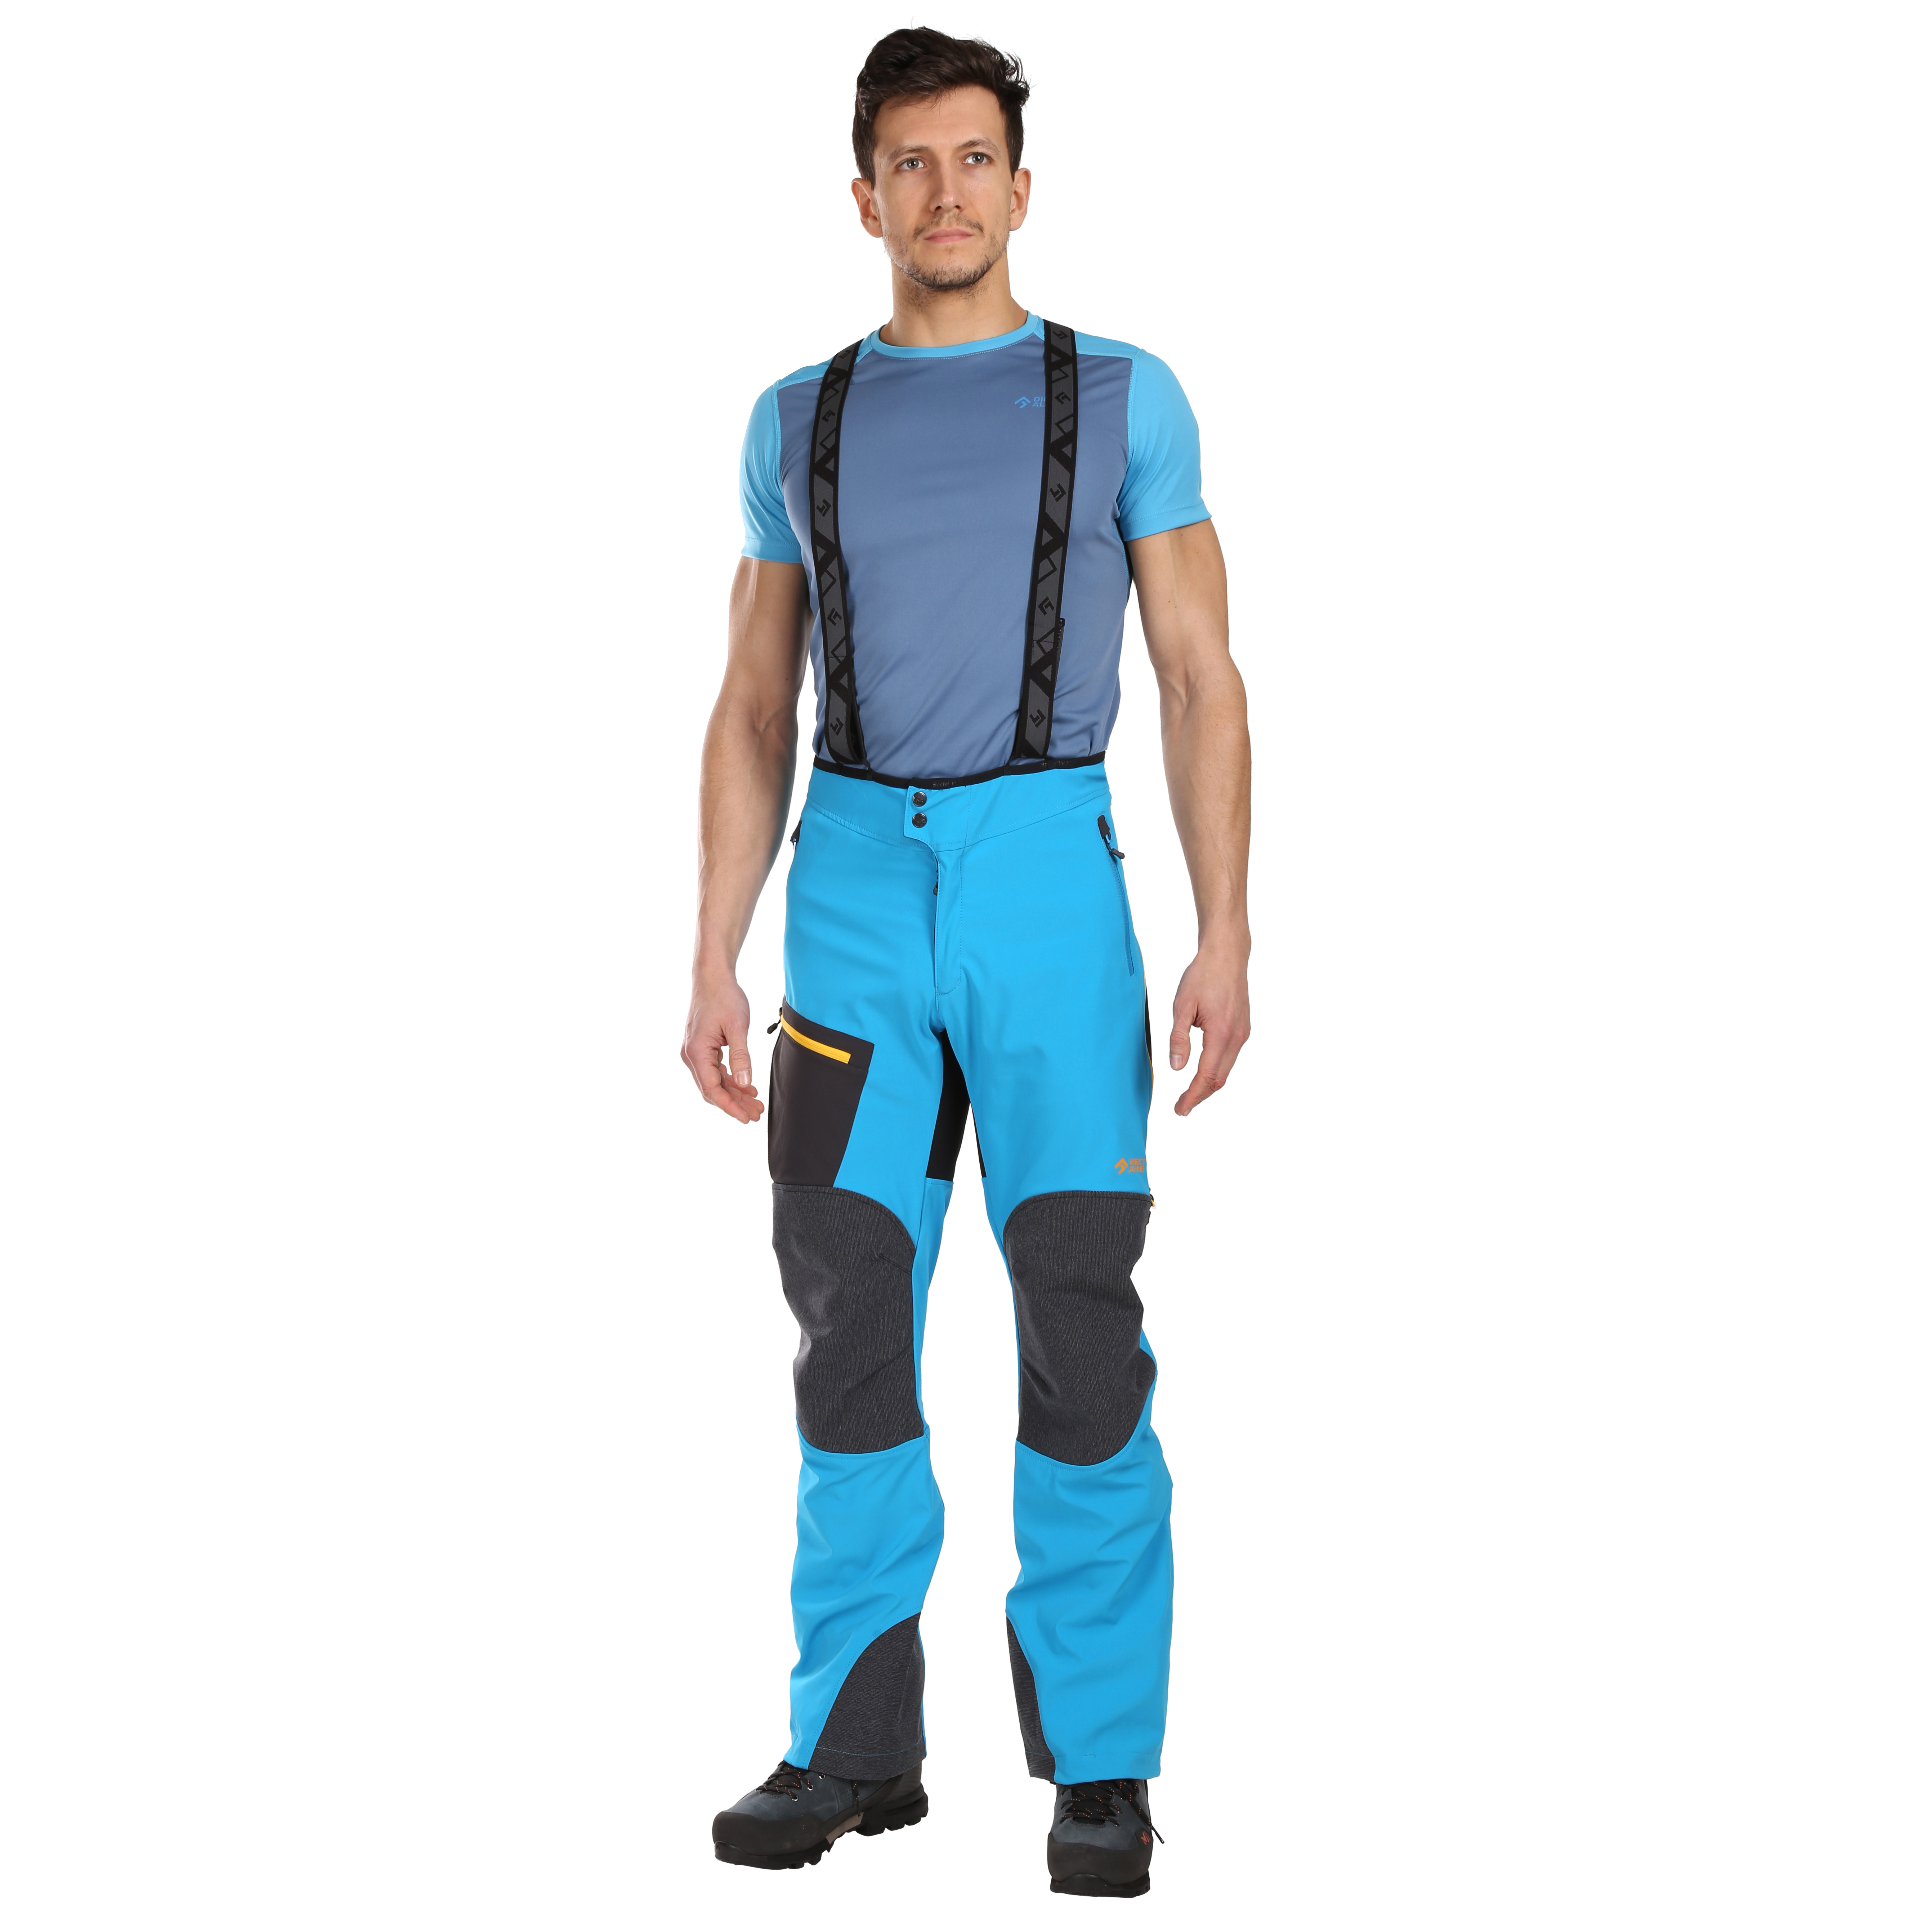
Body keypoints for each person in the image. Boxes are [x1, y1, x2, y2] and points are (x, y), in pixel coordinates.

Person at [681, 26, 1251, 1900]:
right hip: (849, 898)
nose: (945, 191)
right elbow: (752, 702)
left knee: (1078, 1307)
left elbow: (1199, 679)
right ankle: (852, 1745)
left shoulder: (1123, 396)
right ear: (865, 199)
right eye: (910, 164)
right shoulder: (796, 420)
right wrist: (712, 954)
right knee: (848, 1311)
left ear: (1021, 184)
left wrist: (1225, 929)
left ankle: (1103, 1764)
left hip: (1046, 893)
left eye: (974, 158)